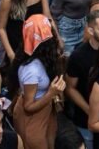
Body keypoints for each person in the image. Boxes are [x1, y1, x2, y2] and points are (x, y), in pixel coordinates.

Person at [10, 13, 67, 149]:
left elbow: (60, 47)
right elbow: (28, 107)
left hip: (46, 109)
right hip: (33, 117)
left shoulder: (45, 57)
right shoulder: (31, 70)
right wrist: (51, 93)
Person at [66, 9, 99, 149]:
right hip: (86, 121)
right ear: (91, 31)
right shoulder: (78, 56)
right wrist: (89, 110)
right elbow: (70, 89)